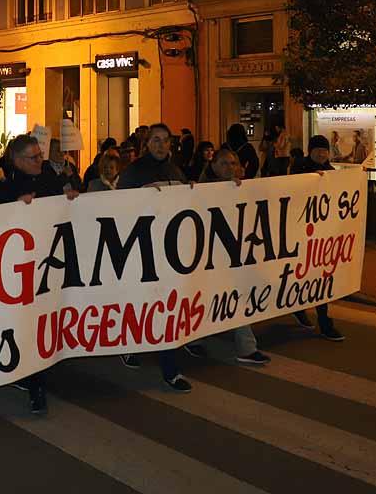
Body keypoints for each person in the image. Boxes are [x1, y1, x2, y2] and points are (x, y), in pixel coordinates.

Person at [0, 135, 81, 414]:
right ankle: (34, 383)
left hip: (49, 261)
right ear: (17, 160)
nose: (40, 160)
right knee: (26, 320)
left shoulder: (48, 179)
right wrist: (16, 209)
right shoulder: (3, 185)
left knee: (46, 316)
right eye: (34, 157)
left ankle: (39, 369)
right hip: (20, 267)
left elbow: (63, 206)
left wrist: (70, 199)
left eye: (40, 155)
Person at [115, 124, 194, 392]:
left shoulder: (176, 171)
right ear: (146, 144)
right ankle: (128, 344)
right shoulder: (133, 172)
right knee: (141, 304)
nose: (161, 145)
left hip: (170, 254)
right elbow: (118, 209)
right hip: (142, 250)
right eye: (156, 140)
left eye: (165, 140)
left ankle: (170, 369)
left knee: (167, 307)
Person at [185, 147, 271, 365]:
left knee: (238, 294)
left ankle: (246, 347)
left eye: (233, 163)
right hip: (205, 254)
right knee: (204, 296)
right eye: (224, 163)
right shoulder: (200, 187)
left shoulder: (237, 187)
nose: (229, 168)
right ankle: (194, 338)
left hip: (230, 254)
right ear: (213, 165)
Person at [288, 136, 346, 341]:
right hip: (303, 233)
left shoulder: (331, 173)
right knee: (302, 274)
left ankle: (323, 320)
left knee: (322, 277)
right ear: (309, 151)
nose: (321, 154)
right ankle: (300, 307)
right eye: (317, 150)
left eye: (324, 150)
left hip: (324, 236)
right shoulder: (299, 169)